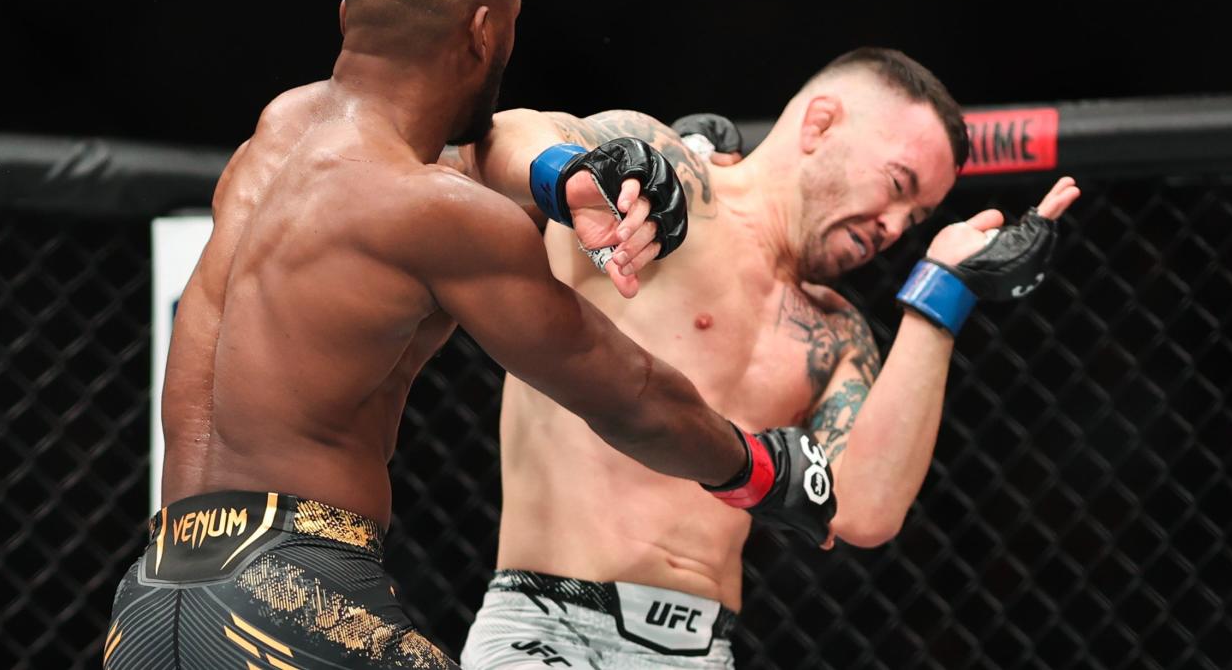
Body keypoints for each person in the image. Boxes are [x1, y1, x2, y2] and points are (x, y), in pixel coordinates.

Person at [102, 0, 837, 670]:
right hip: (294, 601)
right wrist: (756, 468)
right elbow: (626, 394)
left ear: (348, 11)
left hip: (149, 599)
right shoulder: (429, 211)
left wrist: (564, 178)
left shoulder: (277, 132)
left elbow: (473, 153)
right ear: (486, 32)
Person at [454, 47, 1080, 667]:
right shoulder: (670, 182)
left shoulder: (835, 333)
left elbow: (864, 510)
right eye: (897, 185)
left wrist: (945, 289)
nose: (895, 226)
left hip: (702, 651)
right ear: (820, 123)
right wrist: (568, 174)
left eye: (915, 217)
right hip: (549, 630)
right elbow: (503, 134)